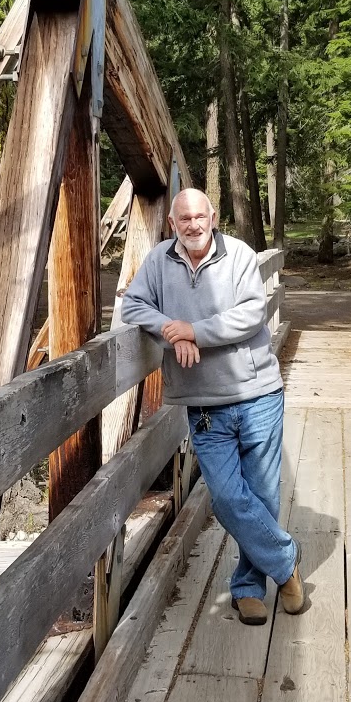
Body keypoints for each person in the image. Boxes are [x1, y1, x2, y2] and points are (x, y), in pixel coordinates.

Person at [120, 187, 304, 625]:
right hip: (204, 405)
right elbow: (132, 305)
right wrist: (170, 328)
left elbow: (251, 315)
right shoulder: (160, 262)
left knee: (260, 495)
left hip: (256, 393)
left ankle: (247, 588)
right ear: (172, 224)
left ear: (214, 216)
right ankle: (286, 561)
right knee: (225, 497)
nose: (193, 225)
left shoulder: (238, 255)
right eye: (183, 218)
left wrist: (194, 331)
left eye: (200, 216)